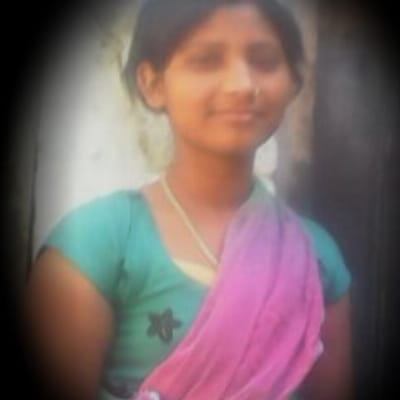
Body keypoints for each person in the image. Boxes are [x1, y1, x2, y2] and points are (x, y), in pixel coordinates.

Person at [25, 0, 353, 399]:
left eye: (265, 61)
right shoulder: (96, 244)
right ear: (152, 83)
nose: (241, 84)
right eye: (206, 60)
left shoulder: (316, 257)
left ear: (293, 82)